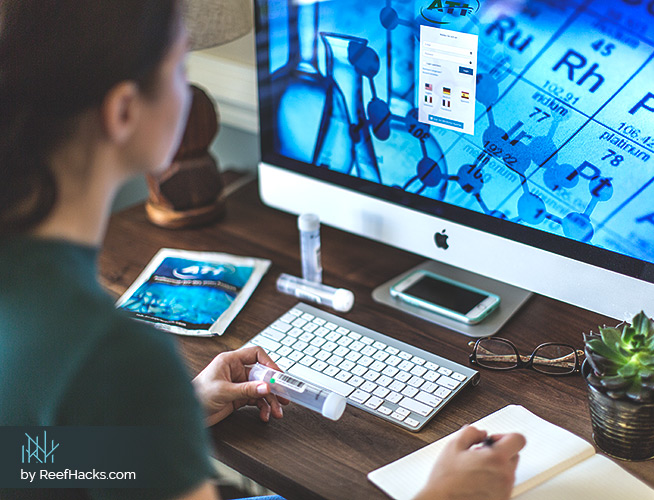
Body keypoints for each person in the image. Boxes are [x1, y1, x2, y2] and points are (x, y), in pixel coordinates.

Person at [0, 1, 525, 499]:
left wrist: (172, 418)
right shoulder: (117, 356)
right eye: (181, 68)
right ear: (123, 111)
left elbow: (25, 459)